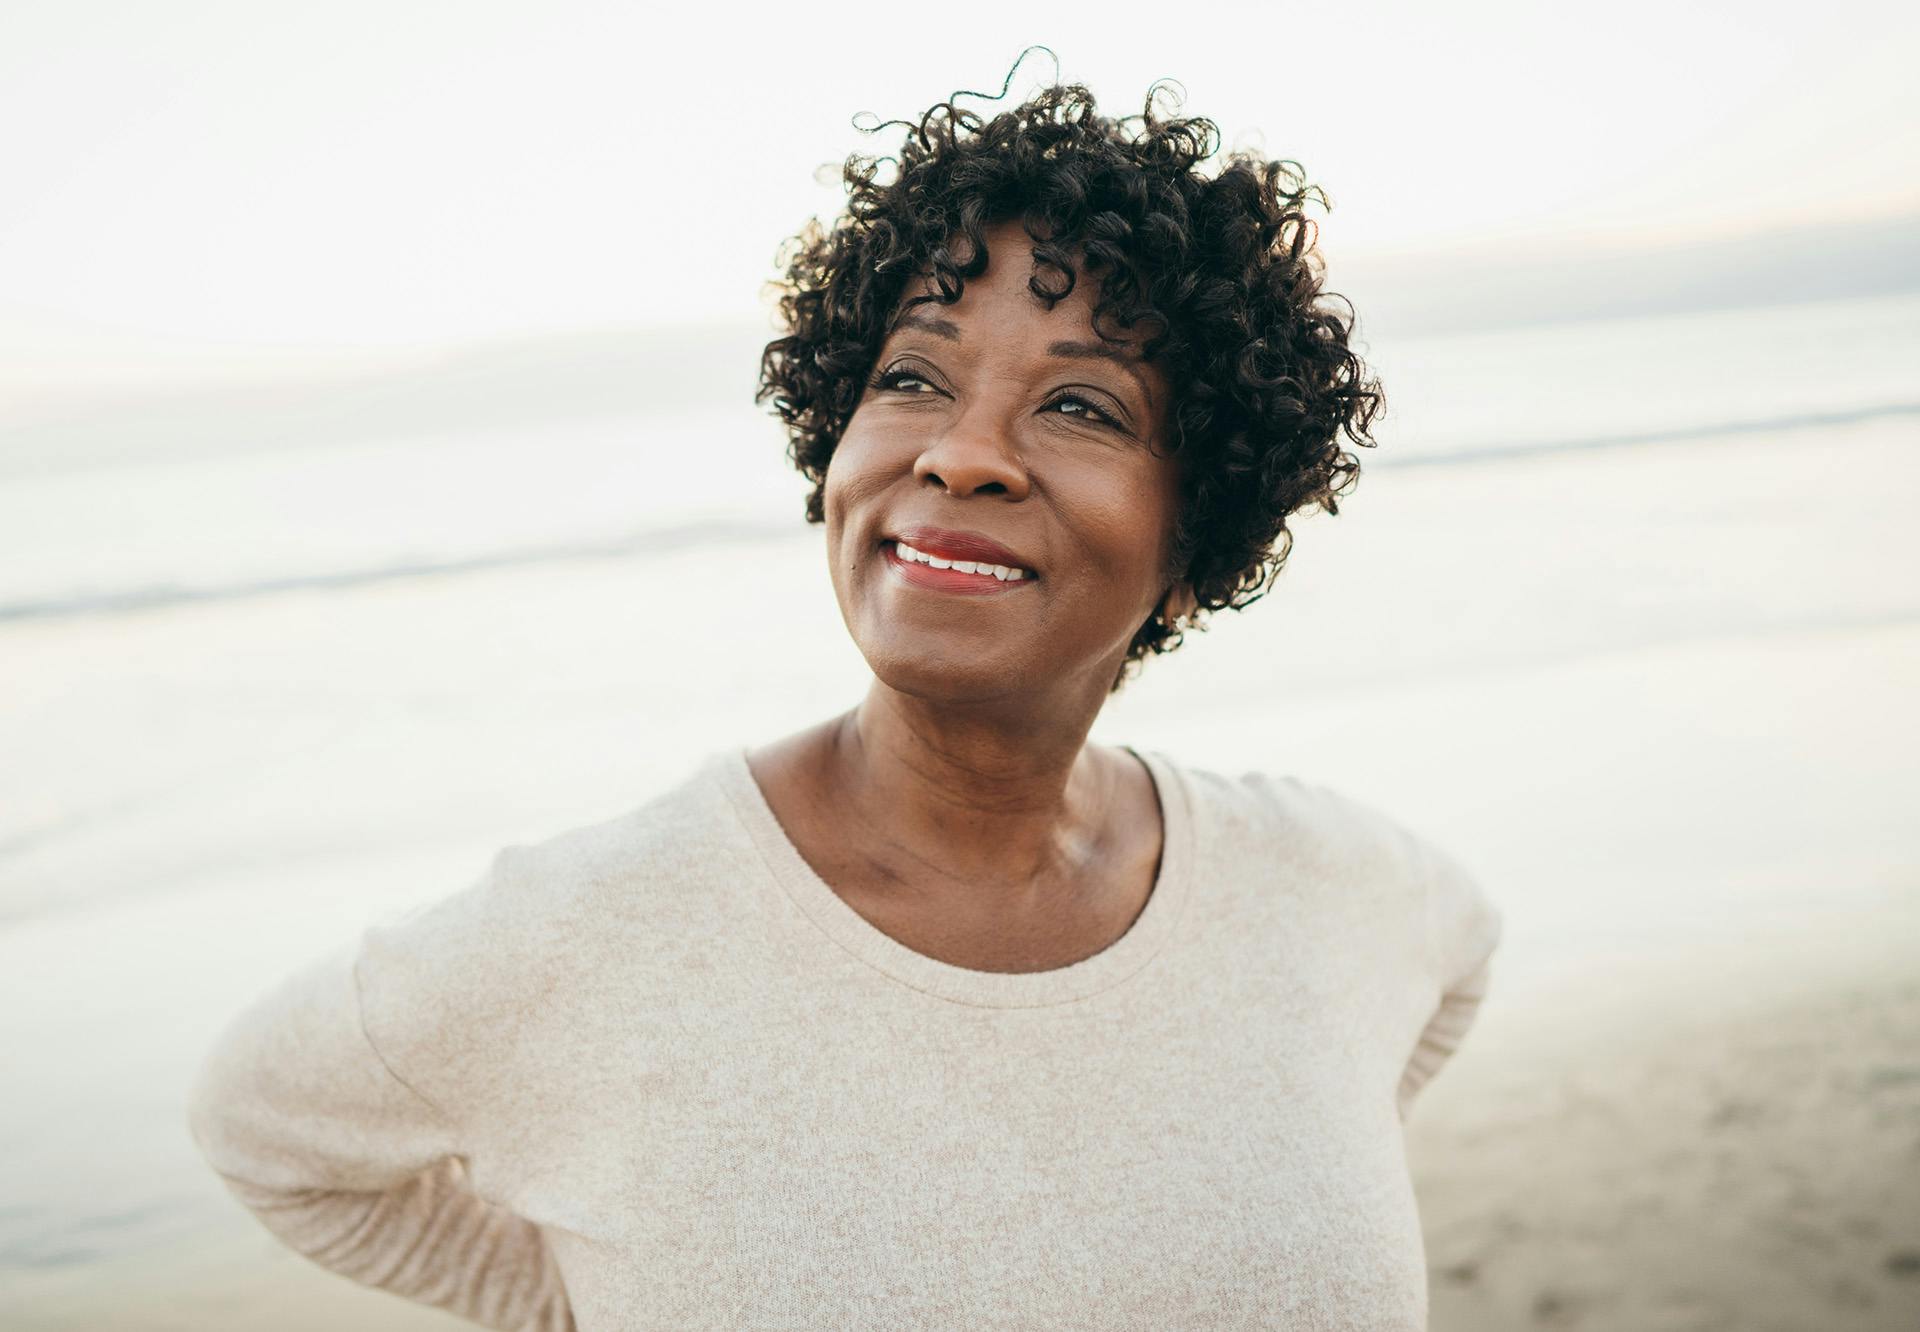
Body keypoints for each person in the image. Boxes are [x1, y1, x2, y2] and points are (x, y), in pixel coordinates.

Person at [186, 59, 1504, 1332]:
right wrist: (584, 1299)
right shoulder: (602, 930)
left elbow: (1455, 960)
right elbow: (265, 1126)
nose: (964, 453)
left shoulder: (1339, 886)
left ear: (1194, 554)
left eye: (1085, 407)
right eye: (915, 376)